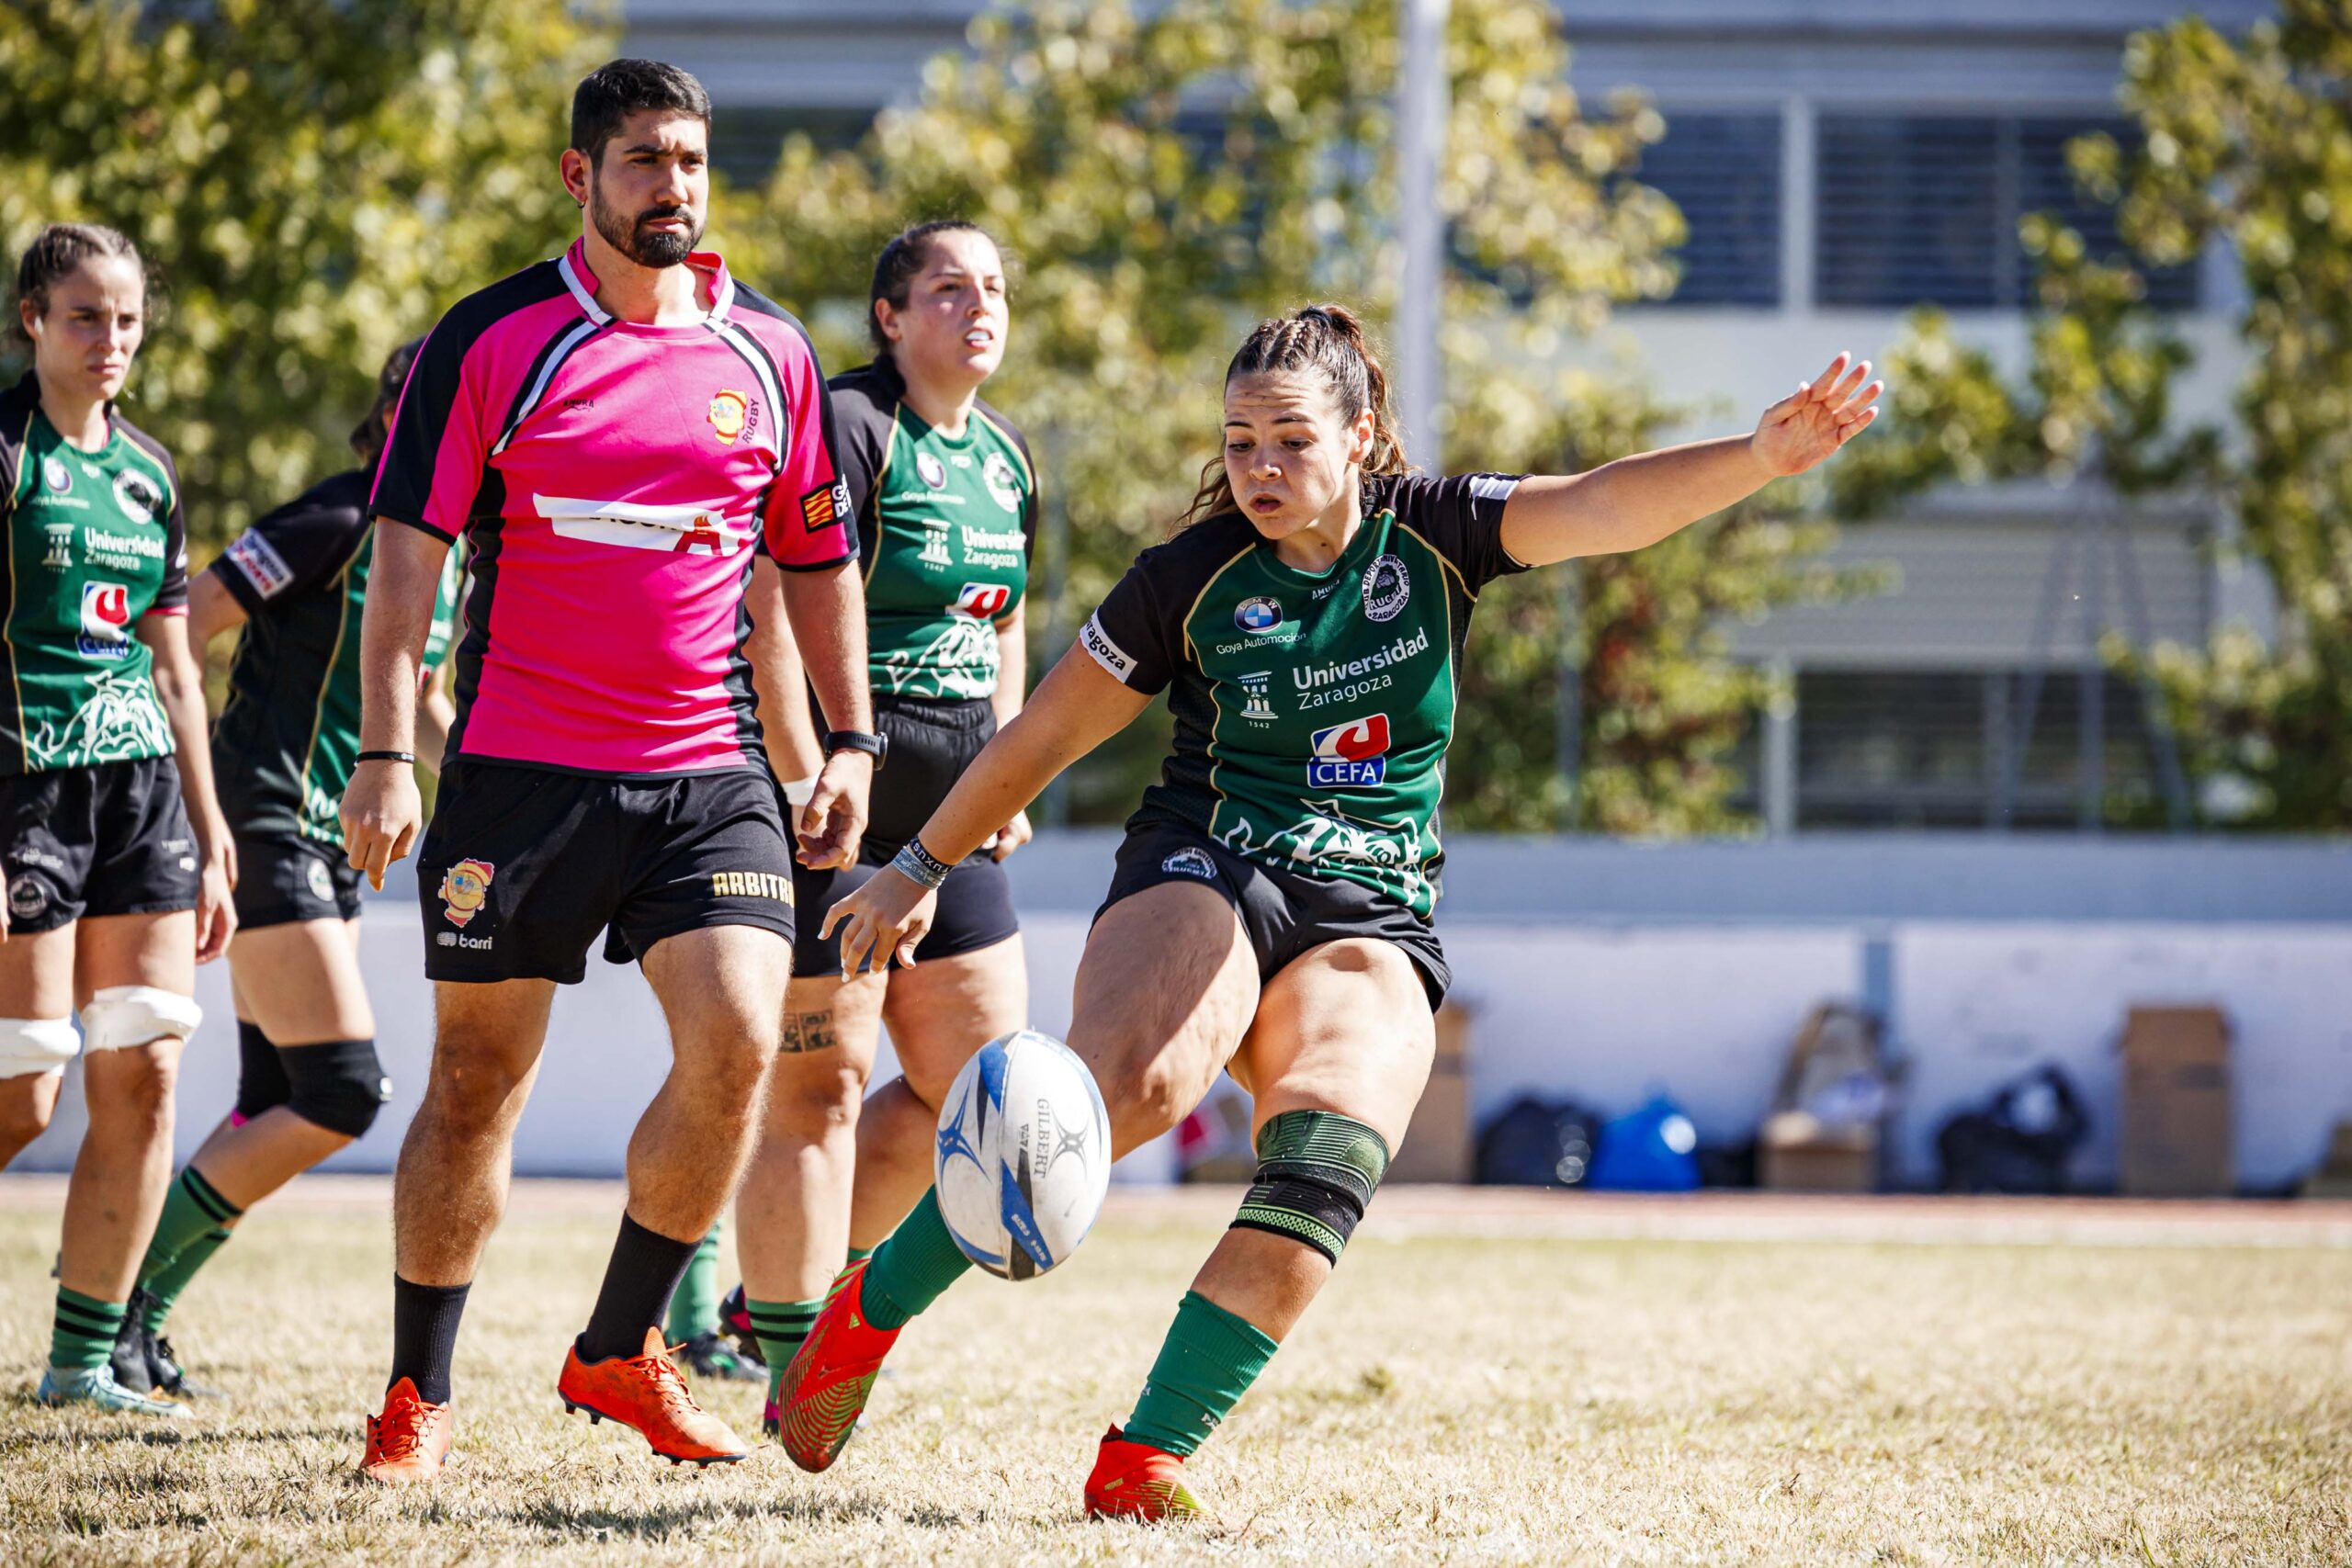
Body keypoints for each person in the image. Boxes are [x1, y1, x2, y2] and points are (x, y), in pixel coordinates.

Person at [777, 305, 1883, 1517]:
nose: (1258, 467)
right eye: (1240, 441)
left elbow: (1609, 503)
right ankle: (862, 1315)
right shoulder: (1187, 580)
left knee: (1331, 1151)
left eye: (1289, 441)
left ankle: (1145, 1453)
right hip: (1213, 857)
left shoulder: (1442, 534)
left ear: (1360, 439)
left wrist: (1758, 457)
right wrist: (917, 864)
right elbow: (1040, 732)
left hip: (1375, 902)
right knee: (1118, 1096)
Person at [336, 59, 879, 1484]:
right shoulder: (493, 338)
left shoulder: (770, 350)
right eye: (644, 161)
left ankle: (619, 1344)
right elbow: (408, 564)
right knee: (475, 1085)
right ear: (580, 178)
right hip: (521, 774)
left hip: (710, 771)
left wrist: (850, 737)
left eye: (692, 161)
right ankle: (417, 1389)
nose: (675, 188)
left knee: (743, 1041)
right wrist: (387, 752)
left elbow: (817, 560)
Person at [722, 220, 1039, 1433]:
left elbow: (1007, 622)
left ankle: (820, 1294)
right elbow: (769, 620)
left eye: (993, 288)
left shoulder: (1005, 453)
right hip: (834, 815)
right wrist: (813, 789)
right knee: (819, 1092)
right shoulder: (849, 427)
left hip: (958, 823)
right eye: (949, 288)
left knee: (984, 1100)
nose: (979, 306)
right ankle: (791, 1363)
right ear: (891, 317)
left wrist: (1005, 774)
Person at [110, 339, 466, 1402]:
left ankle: (130, 1325)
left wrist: (490, 788)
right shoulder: (338, 519)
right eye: (443, 410)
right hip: (263, 823)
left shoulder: (446, 556)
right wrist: (167, 792)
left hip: (332, 841)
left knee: (275, 1093)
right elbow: (179, 629)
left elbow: (426, 702)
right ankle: (116, 1314)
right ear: (398, 419)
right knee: (343, 1089)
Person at [0, 222, 235, 1416]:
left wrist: (211, 823)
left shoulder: (150, 470)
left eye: (128, 319)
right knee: (25, 1084)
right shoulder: (3, 453)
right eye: (86, 316)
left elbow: (177, 663)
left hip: (141, 792)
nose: (111, 340)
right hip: (22, 786)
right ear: (33, 318)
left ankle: (80, 1363)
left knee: (145, 1065)